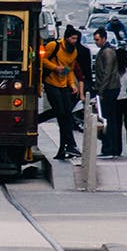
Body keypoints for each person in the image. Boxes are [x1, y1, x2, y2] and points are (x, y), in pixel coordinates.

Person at [41, 26, 81, 159]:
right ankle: (69, 144)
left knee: (66, 115)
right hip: (51, 83)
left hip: (63, 85)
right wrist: (55, 68)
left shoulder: (73, 52)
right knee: (61, 113)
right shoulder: (54, 46)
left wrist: (72, 84)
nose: (74, 41)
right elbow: (43, 60)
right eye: (72, 38)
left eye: (76, 38)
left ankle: (66, 146)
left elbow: (69, 69)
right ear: (66, 38)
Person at [93, 28, 121, 158]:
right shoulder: (104, 51)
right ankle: (110, 147)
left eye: (97, 40)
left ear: (104, 38)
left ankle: (109, 147)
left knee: (108, 119)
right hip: (109, 88)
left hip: (109, 89)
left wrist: (101, 91)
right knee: (109, 118)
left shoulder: (108, 52)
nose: (96, 42)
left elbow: (107, 73)